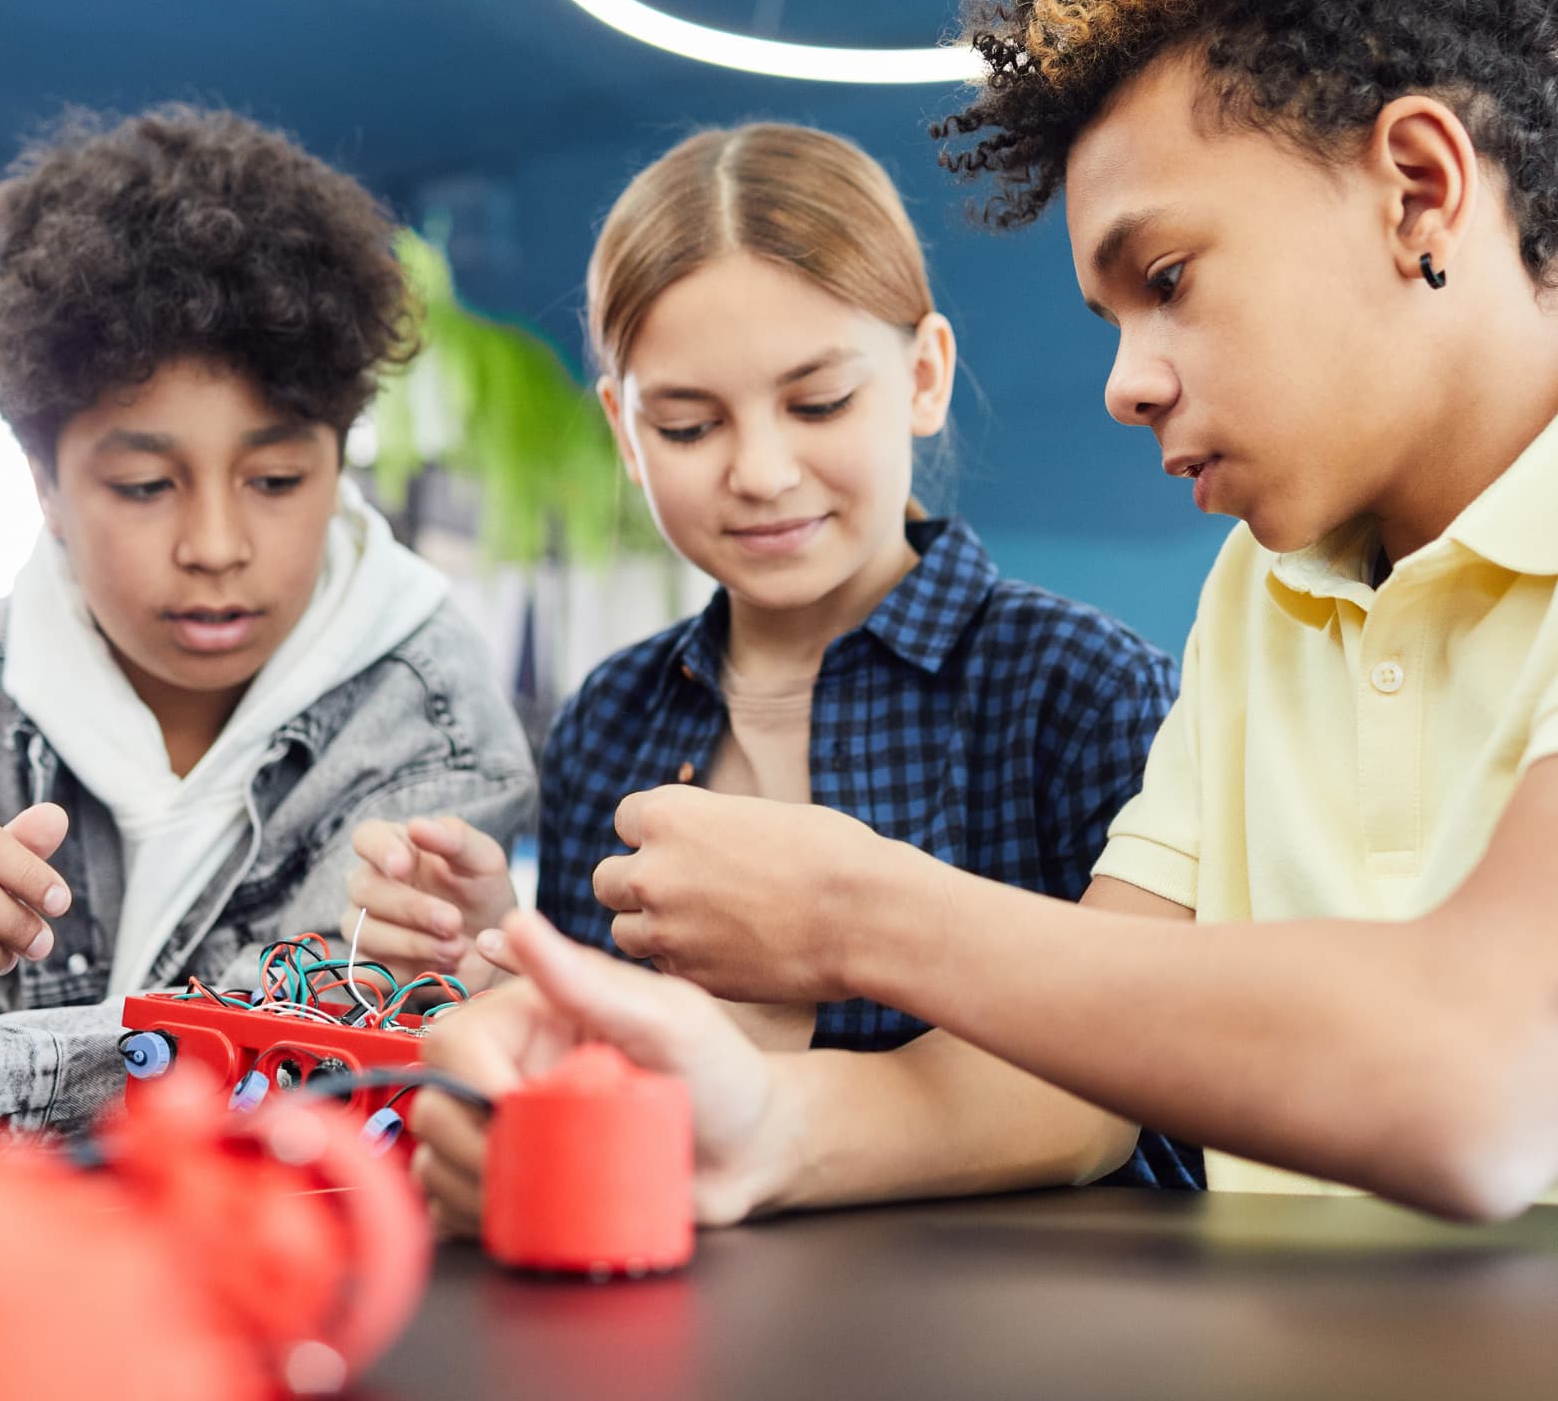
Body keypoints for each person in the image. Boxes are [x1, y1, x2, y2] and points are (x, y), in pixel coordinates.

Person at [408, 0, 1558, 1224]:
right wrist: (750, 1124)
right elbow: (1077, 1076)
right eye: (1110, 315)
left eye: (1167, 275)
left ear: (1420, 186)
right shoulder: (1265, 598)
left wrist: (859, 915)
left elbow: (1483, 1080)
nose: (1126, 379)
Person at [350, 120, 1201, 1196]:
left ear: (924, 374)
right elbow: (596, 1088)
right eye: (689, 424)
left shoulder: (1082, 687)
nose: (758, 470)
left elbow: (1143, 1091)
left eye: (817, 402)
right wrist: (498, 959)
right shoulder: (612, 716)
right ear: (622, 431)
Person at [0, 105, 535, 1156]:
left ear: (339, 455)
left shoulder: (431, 735)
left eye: (275, 479)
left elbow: (289, 1081)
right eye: (143, 484)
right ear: (43, 480)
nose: (217, 542)